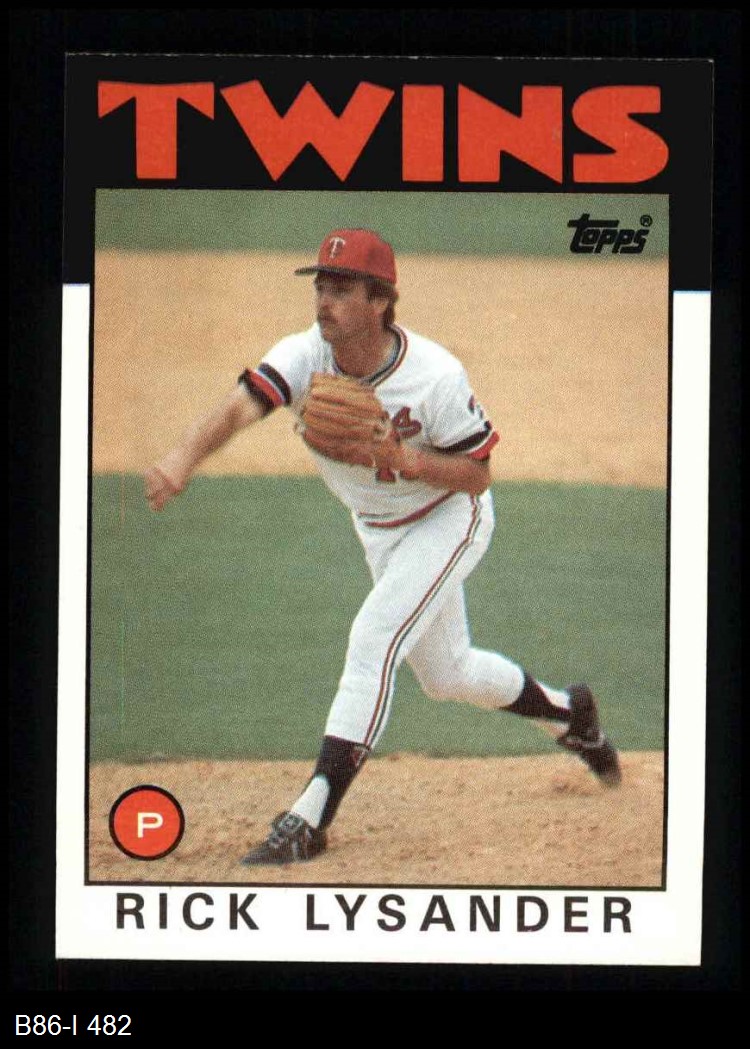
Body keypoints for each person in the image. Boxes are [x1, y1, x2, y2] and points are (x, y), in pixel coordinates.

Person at [144, 228, 621, 866]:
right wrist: (182, 457)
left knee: (374, 639)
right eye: (321, 286)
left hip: (448, 519)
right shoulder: (303, 355)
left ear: (380, 301)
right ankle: (571, 716)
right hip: (377, 530)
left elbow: (477, 474)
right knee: (447, 674)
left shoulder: (435, 376)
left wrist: (406, 459)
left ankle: (310, 817)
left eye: (341, 289)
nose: (324, 301)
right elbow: (239, 407)